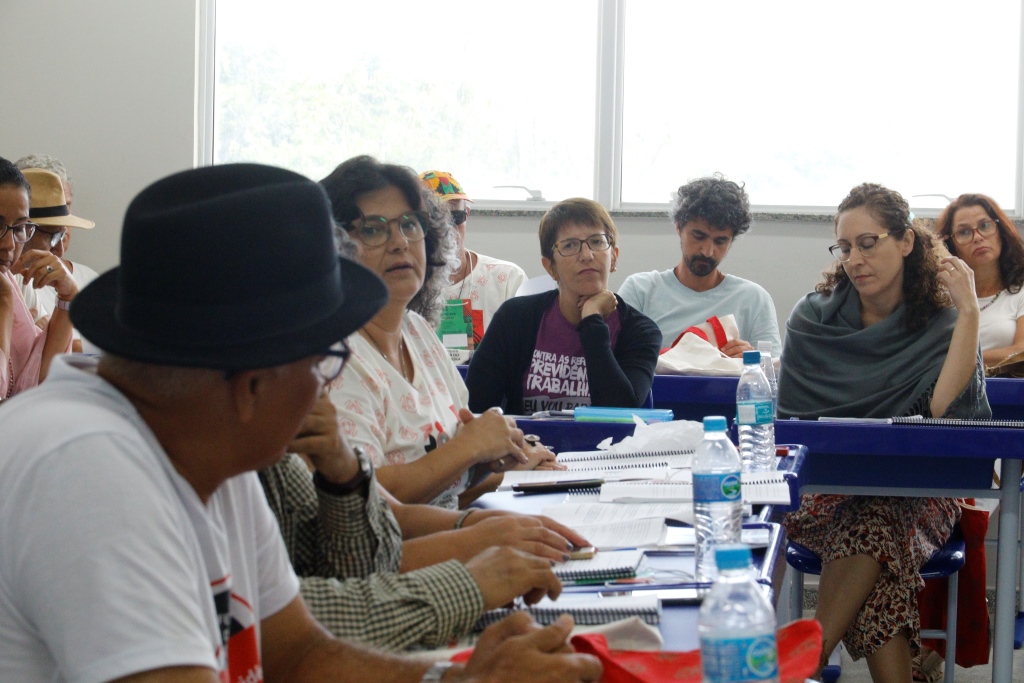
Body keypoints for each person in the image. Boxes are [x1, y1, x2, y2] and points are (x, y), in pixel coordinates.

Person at [0, 162, 602, 683]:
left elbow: (300, 651)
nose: (326, 387)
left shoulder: (207, 447)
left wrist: (456, 676)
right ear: (253, 382)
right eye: (327, 360)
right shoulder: (86, 469)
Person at [777, 182, 990, 683]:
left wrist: (970, 313)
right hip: (824, 495)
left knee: (874, 522)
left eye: (868, 243)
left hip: (920, 496)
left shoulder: (944, 322)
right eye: (844, 247)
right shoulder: (812, 318)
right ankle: (813, 662)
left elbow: (946, 416)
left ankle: (808, 659)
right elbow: (790, 426)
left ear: (907, 241)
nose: (855, 259)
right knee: (871, 532)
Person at [262, 392, 588, 650]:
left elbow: (367, 553)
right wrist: (465, 575)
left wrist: (476, 524)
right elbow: (286, 626)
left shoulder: (276, 460)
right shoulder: (260, 454)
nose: (322, 386)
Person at [321, 156, 557, 510]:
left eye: (410, 224)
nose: (399, 242)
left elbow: (449, 487)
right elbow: (363, 505)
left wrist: (504, 464)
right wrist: (470, 450)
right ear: (334, 248)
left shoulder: (417, 331)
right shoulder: (332, 358)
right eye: (372, 229)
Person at [466, 198, 661, 415]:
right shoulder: (514, 318)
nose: (587, 255)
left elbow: (619, 413)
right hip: (525, 437)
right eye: (570, 245)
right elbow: (475, 406)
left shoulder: (641, 331)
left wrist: (592, 320)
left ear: (613, 257)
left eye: (597, 242)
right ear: (550, 267)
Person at [617, 174, 781, 356]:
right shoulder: (640, 291)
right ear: (679, 228)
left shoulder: (753, 299)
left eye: (720, 241)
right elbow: (614, 362)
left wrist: (750, 360)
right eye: (699, 236)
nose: (708, 251)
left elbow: (772, 370)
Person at [420, 170, 526, 362]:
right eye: (434, 219)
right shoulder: (404, 288)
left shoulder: (509, 280)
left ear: (467, 215)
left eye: (456, 216)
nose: (447, 228)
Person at [0, 160, 77, 399]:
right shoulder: (7, 290)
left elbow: (34, 381)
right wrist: (4, 302)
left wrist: (68, 298)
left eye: (20, 228)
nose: (9, 244)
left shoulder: (8, 282)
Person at [932, 193, 1024, 367]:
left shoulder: (1021, 291)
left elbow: (1020, 354)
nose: (978, 237)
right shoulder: (939, 296)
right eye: (964, 232)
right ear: (950, 244)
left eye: (985, 225)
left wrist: (959, 359)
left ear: (1001, 231)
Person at [17, 167, 95, 351]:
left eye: (62, 235)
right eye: (53, 236)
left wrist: (69, 296)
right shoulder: (19, 278)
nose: (60, 250)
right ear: (23, 230)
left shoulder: (18, 280)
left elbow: (47, 357)